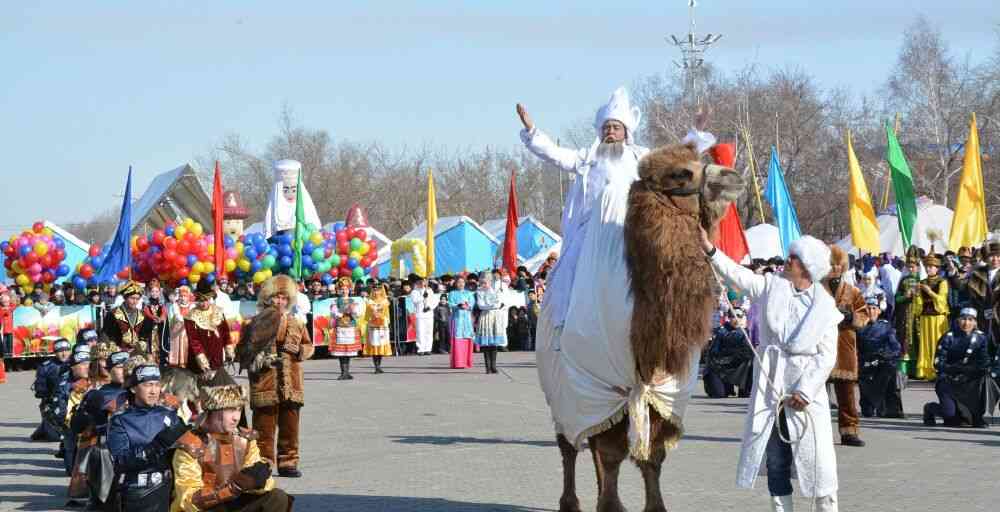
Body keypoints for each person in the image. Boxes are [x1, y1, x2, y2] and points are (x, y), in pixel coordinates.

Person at [703, 232, 841, 512]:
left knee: (819, 463)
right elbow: (737, 276)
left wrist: (804, 390)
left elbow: (827, 356)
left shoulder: (826, 308)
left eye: (794, 257)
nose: (788, 260)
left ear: (806, 266)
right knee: (776, 460)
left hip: (806, 396)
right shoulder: (770, 286)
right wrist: (710, 249)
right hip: (771, 388)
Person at [172, 371, 291, 511]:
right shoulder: (190, 446)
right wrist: (233, 488)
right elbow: (188, 500)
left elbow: (266, 484)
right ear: (213, 409)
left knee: (277, 497)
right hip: (206, 508)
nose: (236, 417)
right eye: (229, 410)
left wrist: (257, 482)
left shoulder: (245, 439)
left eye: (238, 410)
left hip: (234, 502)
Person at [237, 275, 312, 478]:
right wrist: (258, 358)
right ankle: (264, 463)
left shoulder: (297, 323)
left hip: (291, 382)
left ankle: (288, 462)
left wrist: (299, 350)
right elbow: (241, 350)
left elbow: (309, 346)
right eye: (276, 297)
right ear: (268, 298)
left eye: (284, 298)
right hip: (265, 381)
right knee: (264, 427)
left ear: (290, 300)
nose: (280, 301)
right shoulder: (253, 322)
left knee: (290, 426)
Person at [107, 364, 189, 512]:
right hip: (137, 492)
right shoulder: (120, 420)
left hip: (168, 490)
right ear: (133, 388)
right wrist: (157, 445)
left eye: (157, 385)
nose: (153, 391)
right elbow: (121, 461)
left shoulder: (168, 415)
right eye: (147, 385)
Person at [68, 350, 130, 508]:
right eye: (119, 366)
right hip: (107, 447)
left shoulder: (144, 392)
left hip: (137, 446)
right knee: (99, 450)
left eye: (126, 366)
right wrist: (92, 411)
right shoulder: (98, 394)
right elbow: (76, 426)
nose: (123, 370)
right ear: (109, 370)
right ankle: (98, 497)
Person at [821, 245, 869, 448]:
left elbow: (865, 314)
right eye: (831, 265)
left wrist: (851, 317)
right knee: (818, 395)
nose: (835, 268)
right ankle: (818, 433)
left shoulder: (852, 291)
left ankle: (849, 430)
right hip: (820, 345)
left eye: (838, 265)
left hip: (844, 345)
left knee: (847, 393)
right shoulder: (815, 288)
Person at [923, 308, 991, 428]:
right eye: (963, 319)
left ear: (975, 322)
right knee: (950, 416)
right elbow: (938, 363)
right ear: (958, 320)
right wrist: (954, 368)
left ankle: (977, 416)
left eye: (970, 320)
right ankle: (929, 408)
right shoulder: (948, 337)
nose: (966, 323)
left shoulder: (981, 338)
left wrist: (972, 370)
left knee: (984, 380)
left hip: (969, 382)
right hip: (948, 380)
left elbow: (984, 361)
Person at [856, 297, 903, 419]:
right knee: (867, 412)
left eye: (874, 308)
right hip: (865, 365)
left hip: (882, 362)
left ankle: (890, 405)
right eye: (868, 308)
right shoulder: (858, 326)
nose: (871, 311)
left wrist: (888, 354)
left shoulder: (886, 326)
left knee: (891, 370)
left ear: (879, 311)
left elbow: (895, 346)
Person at [183, 280, 233, 381]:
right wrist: (201, 357)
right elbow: (193, 340)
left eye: (206, 300)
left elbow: (225, 333)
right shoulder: (191, 316)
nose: (204, 303)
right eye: (201, 300)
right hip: (198, 359)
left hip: (217, 355)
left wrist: (228, 349)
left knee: (218, 386)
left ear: (210, 298)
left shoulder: (218, 311)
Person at [956, 240, 1000, 352]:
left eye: (998, 256)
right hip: (982, 318)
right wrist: (953, 274)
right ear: (986, 258)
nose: (995, 259)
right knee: (982, 349)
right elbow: (961, 287)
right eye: (992, 256)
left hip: (998, 319)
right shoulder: (977, 274)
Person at [703, 308, 754, 399]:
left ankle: (744, 389)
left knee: (750, 361)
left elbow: (748, 352)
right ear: (729, 318)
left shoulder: (745, 332)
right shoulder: (721, 331)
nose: (736, 319)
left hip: (736, 366)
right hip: (720, 367)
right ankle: (724, 386)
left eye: (739, 316)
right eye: (733, 317)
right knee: (719, 394)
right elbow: (713, 353)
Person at [914, 253, 950, 380]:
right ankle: (926, 370)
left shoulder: (942, 282)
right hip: (925, 317)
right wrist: (917, 294)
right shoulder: (921, 282)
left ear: (937, 268)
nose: (929, 268)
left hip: (938, 317)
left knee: (938, 343)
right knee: (926, 344)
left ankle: (939, 369)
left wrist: (929, 291)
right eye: (927, 266)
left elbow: (942, 300)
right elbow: (918, 304)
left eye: (931, 266)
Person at [30, 338, 72, 442]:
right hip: (53, 403)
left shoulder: (76, 364)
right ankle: (45, 427)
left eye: (66, 350)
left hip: (74, 400)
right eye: (60, 351)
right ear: (54, 352)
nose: (63, 354)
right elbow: (40, 390)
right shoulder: (46, 367)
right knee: (55, 437)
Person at [102, 281, 151, 355]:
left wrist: (141, 345)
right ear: (125, 298)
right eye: (132, 298)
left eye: (137, 299)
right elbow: (105, 335)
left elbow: (145, 335)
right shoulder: (112, 314)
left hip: (137, 353)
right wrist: (115, 348)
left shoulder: (143, 315)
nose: (135, 301)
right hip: (118, 353)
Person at [893, 249, 922, 376]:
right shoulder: (903, 281)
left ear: (918, 267)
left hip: (919, 314)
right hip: (905, 315)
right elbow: (897, 298)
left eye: (914, 266)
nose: (911, 269)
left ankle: (919, 368)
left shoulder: (922, 280)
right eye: (909, 266)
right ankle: (905, 369)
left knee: (918, 337)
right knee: (905, 338)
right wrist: (905, 296)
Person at [330, 277, 362, 380]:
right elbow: (334, 313)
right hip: (340, 327)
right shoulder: (336, 301)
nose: (344, 291)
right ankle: (343, 372)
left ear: (349, 290)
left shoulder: (353, 301)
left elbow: (358, 314)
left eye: (346, 289)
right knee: (341, 352)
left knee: (348, 351)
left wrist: (353, 311)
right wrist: (342, 312)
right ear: (339, 290)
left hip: (350, 328)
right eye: (342, 289)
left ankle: (347, 372)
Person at [475, 274, 506, 374]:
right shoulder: (479, 291)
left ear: (490, 282)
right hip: (485, 317)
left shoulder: (495, 291)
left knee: (494, 343)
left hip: (494, 317)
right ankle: (487, 367)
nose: (484, 284)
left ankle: (493, 366)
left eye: (486, 282)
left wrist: (491, 305)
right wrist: (491, 306)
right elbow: (480, 305)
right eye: (482, 282)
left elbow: (498, 303)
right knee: (485, 343)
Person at [364, 283, 393, 373]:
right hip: (373, 325)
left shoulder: (385, 301)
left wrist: (382, 317)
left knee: (381, 343)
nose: (376, 292)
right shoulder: (370, 301)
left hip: (382, 325)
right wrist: (373, 315)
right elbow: (368, 314)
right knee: (374, 343)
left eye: (378, 290)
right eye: (375, 290)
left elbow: (386, 313)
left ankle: (379, 365)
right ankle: (376, 366)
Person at [448, 277, 475, 369]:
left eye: (462, 282)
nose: (461, 284)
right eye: (459, 282)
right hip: (457, 319)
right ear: (455, 283)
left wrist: (467, 306)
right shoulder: (452, 293)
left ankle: (466, 362)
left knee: (467, 338)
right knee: (457, 339)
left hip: (467, 319)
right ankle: (458, 363)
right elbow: (450, 304)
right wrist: (458, 306)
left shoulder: (469, 293)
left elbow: (472, 304)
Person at [168, 285, 195, 368]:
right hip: (177, 329)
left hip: (188, 328)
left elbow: (192, 317)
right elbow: (176, 316)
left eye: (185, 296)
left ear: (188, 297)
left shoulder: (192, 306)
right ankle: (177, 361)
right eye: (181, 296)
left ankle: (187, 361)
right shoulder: (175, 305)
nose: (183, 298)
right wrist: (183, 321)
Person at [409, 277, 437, 355]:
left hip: (429, 313)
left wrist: (430, 307)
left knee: (429, 332)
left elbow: (435, 301)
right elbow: (415, 300)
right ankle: (421, 349)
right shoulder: (414, 292)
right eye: (420, 282)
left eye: (423, 281)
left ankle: (428, 348)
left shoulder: (430, 290)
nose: (422, 283)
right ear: (417, 283)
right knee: (420, 332)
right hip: (420, 314)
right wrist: (422, 297)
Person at [142, 284, 169, 364]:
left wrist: (161, 318)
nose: (154, 293)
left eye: (156, 291)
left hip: (159, 330)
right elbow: (146, 313)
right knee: (150, 346)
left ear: (159, 293)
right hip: (150, 329)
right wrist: (153, 318)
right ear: (149, 292)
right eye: (152, 291)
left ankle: (160, 362)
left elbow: (164, 313)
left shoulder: (162, 304)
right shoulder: (146, 304)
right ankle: (151, 362)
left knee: (159, 346)